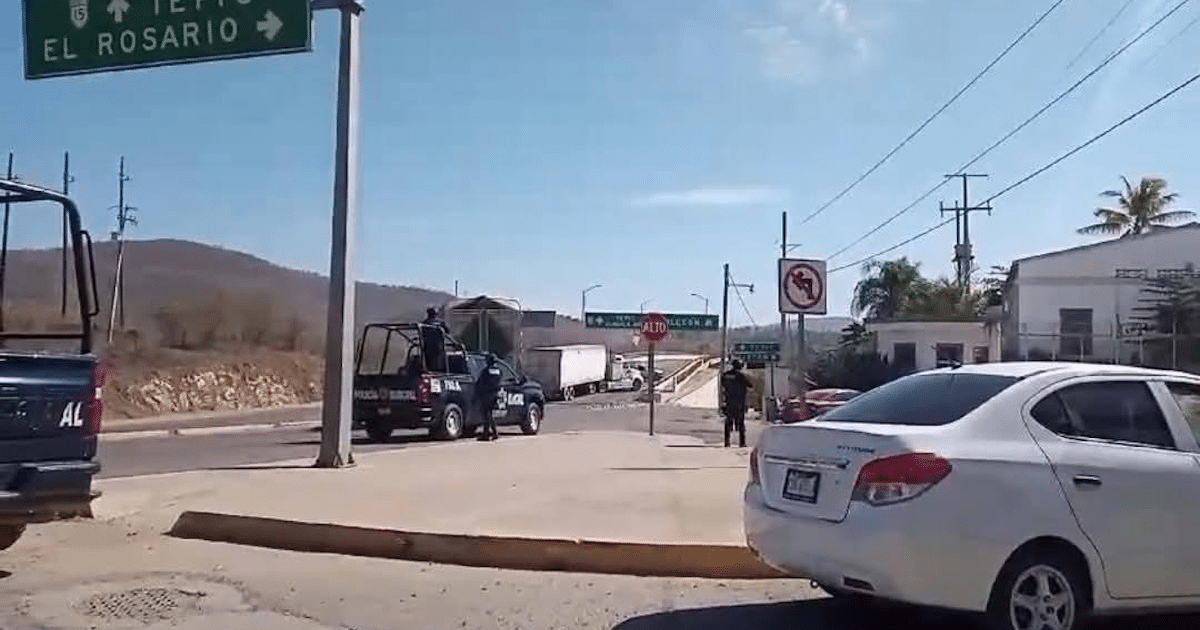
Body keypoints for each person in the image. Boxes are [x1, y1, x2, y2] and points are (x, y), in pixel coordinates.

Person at [720, 359, 753, 448]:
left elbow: (723, 386)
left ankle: (727, 442)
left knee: (728, 422)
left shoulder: (726, 375)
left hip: (729, 402)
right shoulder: (741, 376)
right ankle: (742, 442)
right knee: (741, 423)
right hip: (739, 403)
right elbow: (750, 385)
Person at [475, 353, 503, 441]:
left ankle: (486, 434)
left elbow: (480, 383)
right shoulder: (499, 371)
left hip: (486, 395)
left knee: (486, 415)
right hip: (495, 394)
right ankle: (494, 432)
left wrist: (477, 393)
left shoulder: (486, 371)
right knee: (490, 414)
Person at [420, 307, 449, 373]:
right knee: (440, 364)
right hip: (439, 347)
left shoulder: (424, 323)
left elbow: (422, 333)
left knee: (429, 364)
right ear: (435, 314)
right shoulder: (441, 323)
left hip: (428, 348)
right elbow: (447, 331)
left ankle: (428, 371)